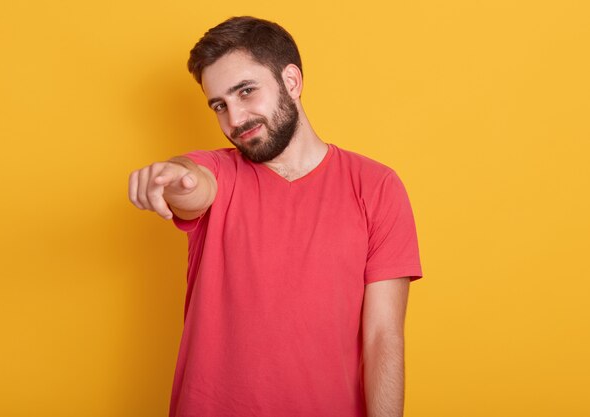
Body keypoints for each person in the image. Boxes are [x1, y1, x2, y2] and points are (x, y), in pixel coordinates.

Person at [128, 16, 422, 417]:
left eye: (246, 91)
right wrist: (176, 179)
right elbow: (193, 185)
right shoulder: (218, 172)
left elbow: (383, 337)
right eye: (220, 105)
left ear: (292, 82)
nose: (234, 120)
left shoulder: (376, 186)